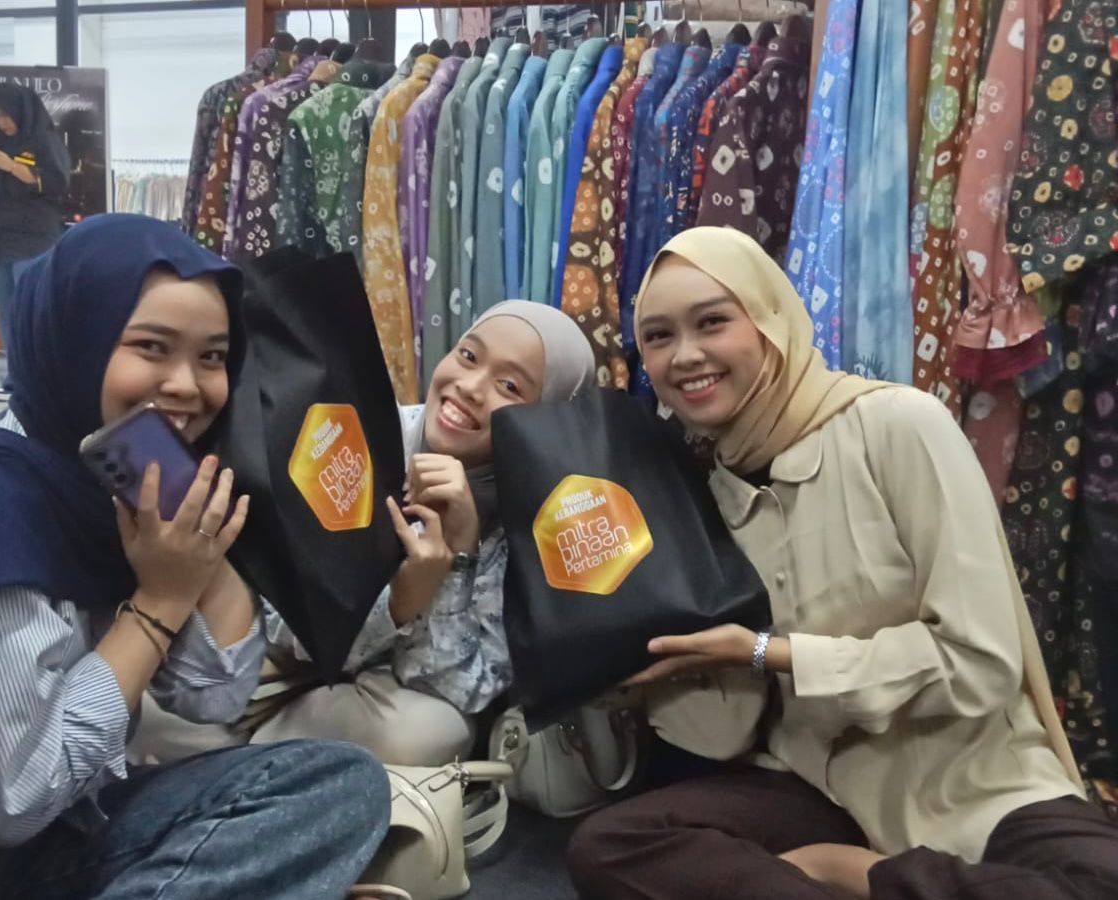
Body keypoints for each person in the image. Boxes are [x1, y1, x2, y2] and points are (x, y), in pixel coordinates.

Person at [566, 227, 1118, 900]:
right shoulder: (703, 494)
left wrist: (770, 654)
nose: (685, 355)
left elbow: (980, 663)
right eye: (657, 337)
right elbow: (725, 734)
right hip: (821, 786)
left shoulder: (898, 425)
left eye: (712, 322)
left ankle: (854, 877)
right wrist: (638, 669)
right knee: (612, 845)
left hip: (975, 781)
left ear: (770, 319)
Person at [0, 214, 390, 899]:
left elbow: (213, 696)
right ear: (75, 338)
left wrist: (202, 552)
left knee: (343, 786)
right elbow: (8, 802)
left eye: (212, 357)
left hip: (72, 821)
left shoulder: (119, 481)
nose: (187, 385)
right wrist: (159, 603)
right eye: (151, 347)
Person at [131, 301, 595, 768]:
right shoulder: (362, 429)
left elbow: (459, 688)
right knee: (148, 705)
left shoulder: (539, 522)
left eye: (510, 386)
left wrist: (460, 555)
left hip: (367, 704)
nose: (470, 387)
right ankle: (263, 766)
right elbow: (282, 620)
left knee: (434, 731)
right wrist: (397, 603)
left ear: (544, 418)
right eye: (468, 355)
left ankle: (243, 766)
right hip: (268, 670)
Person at [0, 83, 70, 403]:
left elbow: (56, 184)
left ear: (20, 110)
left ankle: (41, 381)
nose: (3, 123)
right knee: (9, 314)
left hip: (33, 240)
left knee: (32, 313)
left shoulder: (45, 141)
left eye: (6, 115)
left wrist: (10, 165)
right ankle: (16, 378)